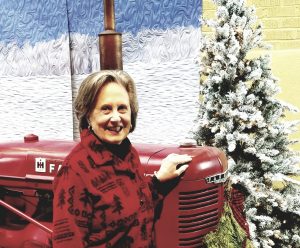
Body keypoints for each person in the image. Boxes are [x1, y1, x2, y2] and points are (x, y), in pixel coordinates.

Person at [52, 70, 192, 248]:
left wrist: (158, 182)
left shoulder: (127, 152)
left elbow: (134, 206)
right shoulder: (74, 172)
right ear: (88, 115)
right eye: (106, 109)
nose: (116, 118)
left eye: (122, 108)